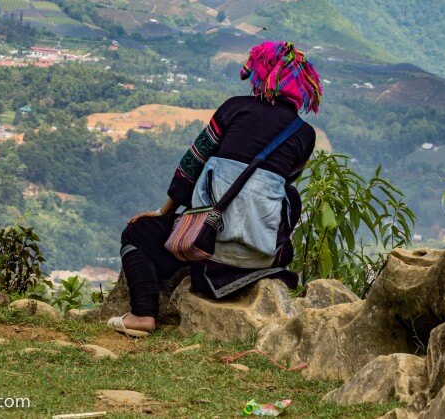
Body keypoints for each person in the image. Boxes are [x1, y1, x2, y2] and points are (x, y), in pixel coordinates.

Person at [109, 41, 322, 337]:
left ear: (260, 75)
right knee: (291, 196)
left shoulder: (234, 109)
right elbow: (279, 191)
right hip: (264, 256)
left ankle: (142, 314)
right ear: (303, 85)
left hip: (206, 245)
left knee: (136, 234)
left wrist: (161, 213)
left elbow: (190, 167)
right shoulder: (305, 134)